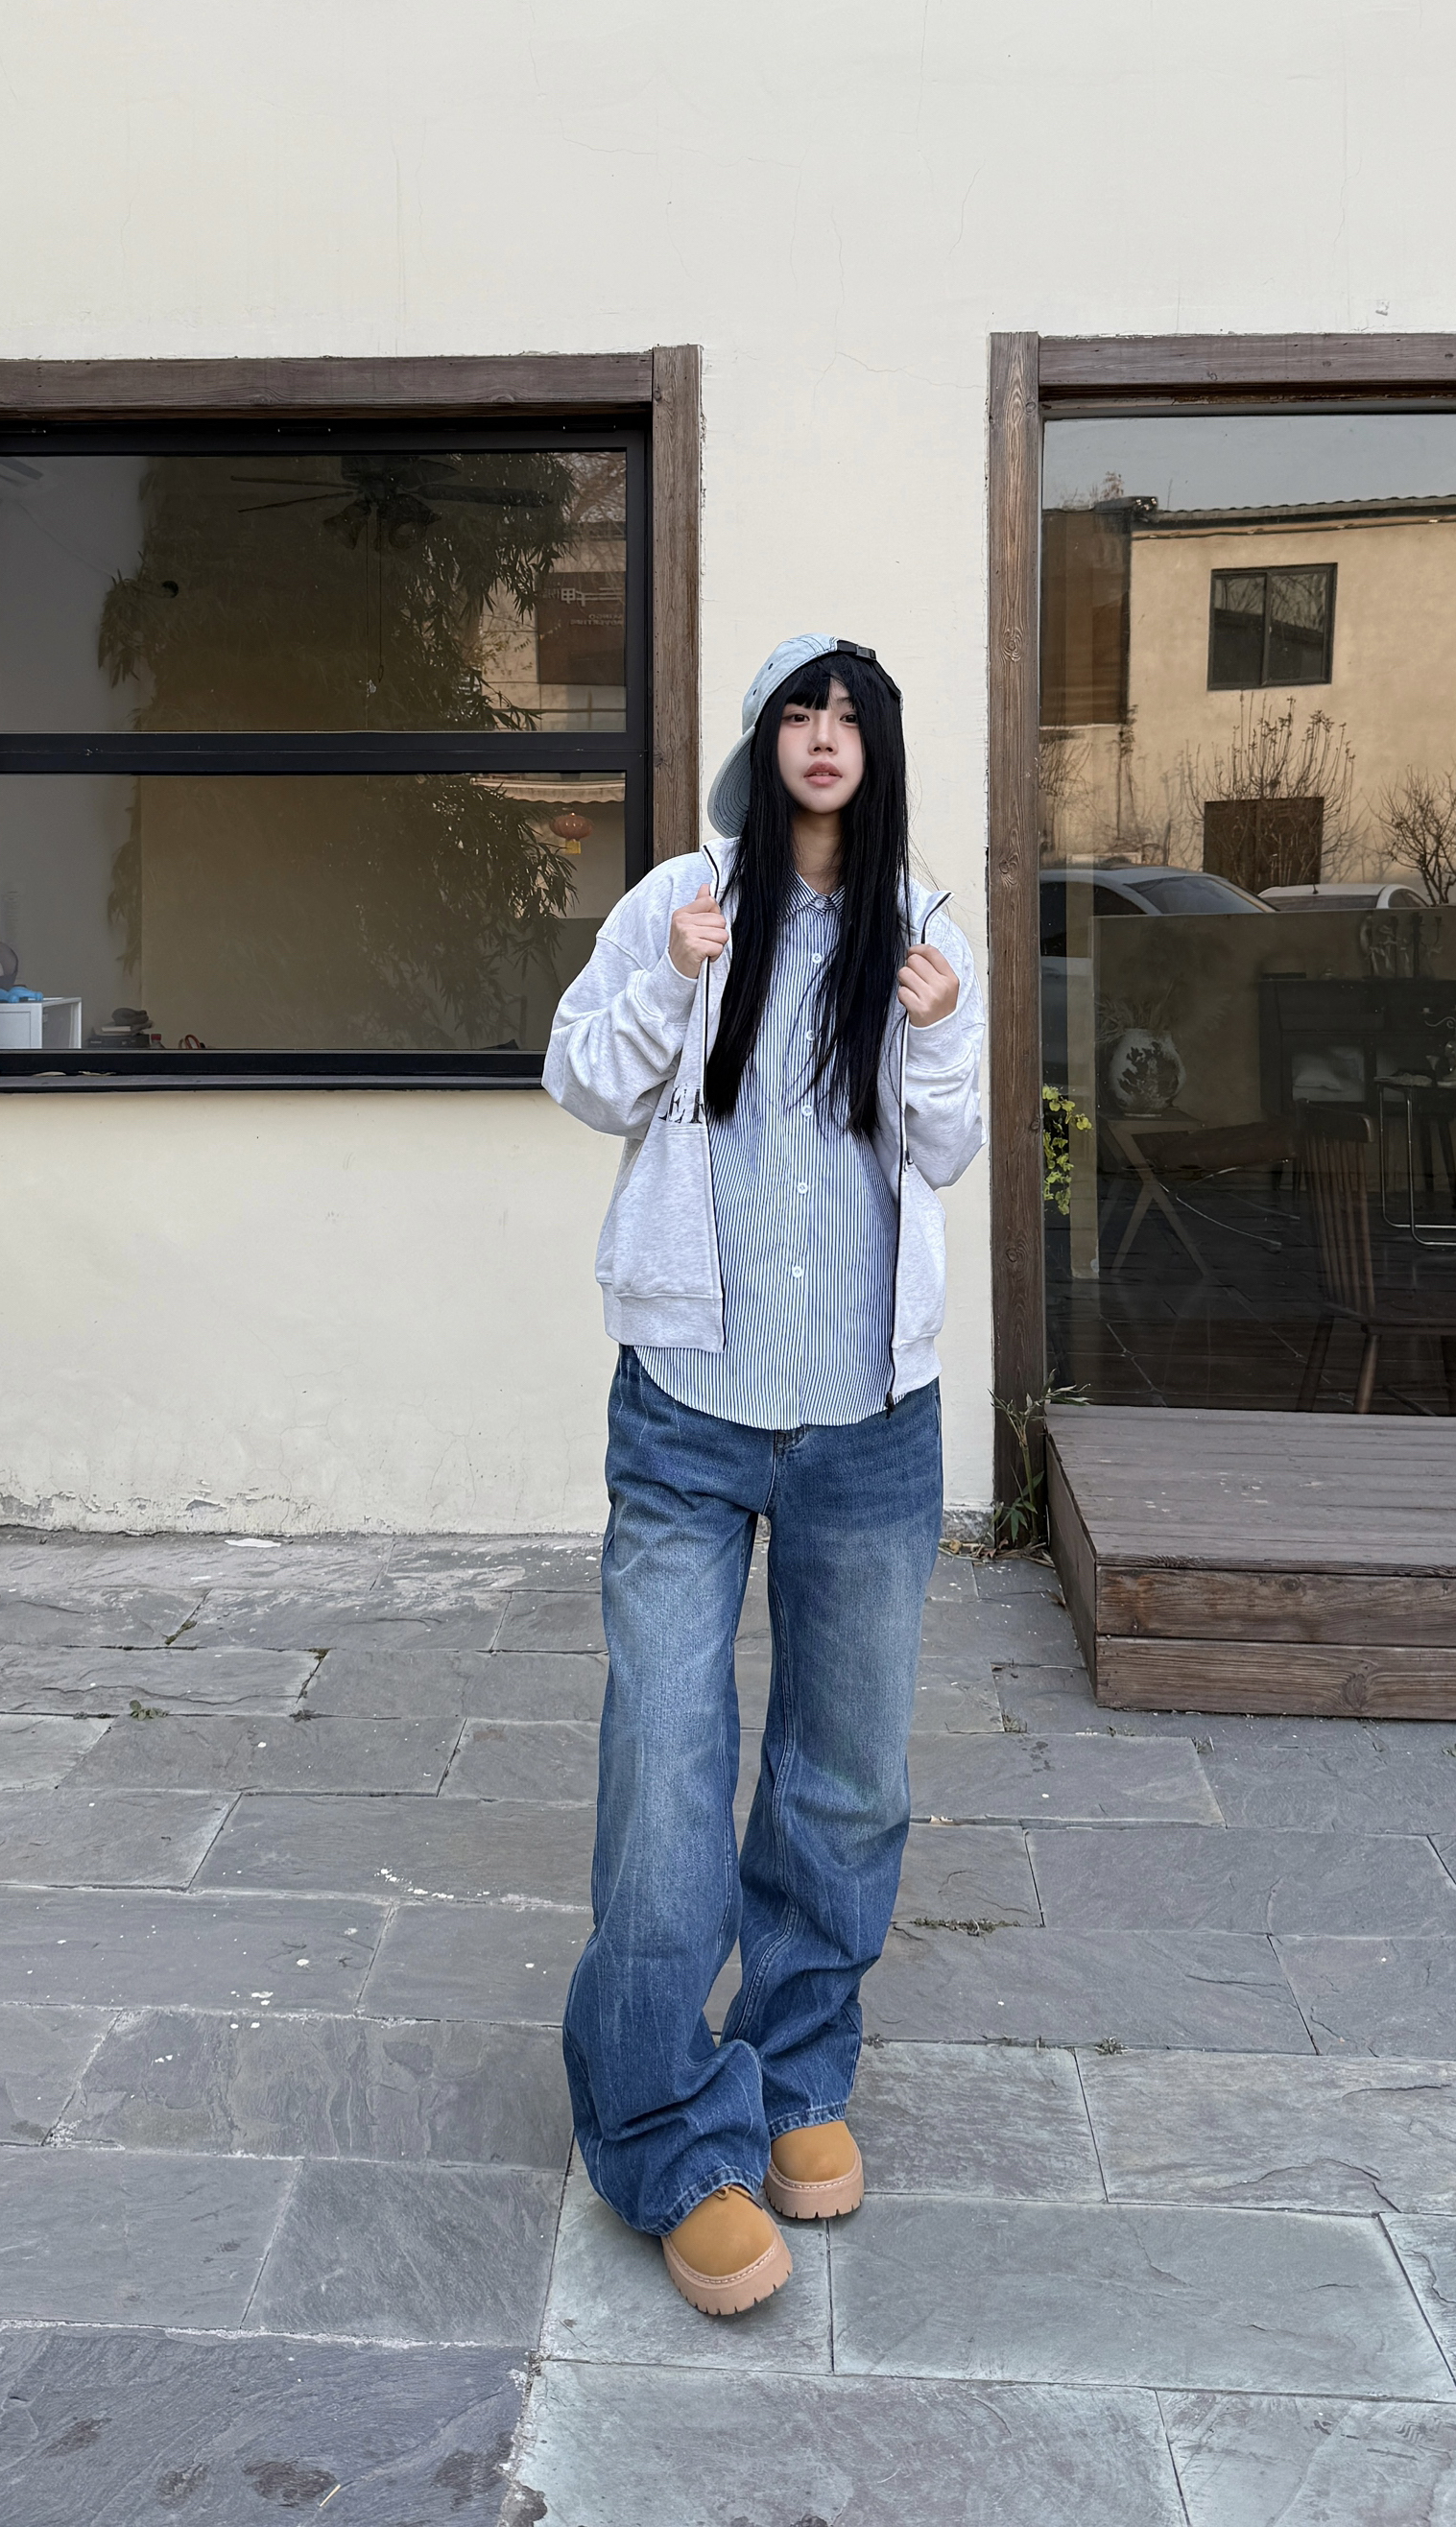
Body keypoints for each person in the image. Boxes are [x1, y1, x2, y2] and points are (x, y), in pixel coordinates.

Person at [542, 632, 986, 2315]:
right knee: (665, 1767)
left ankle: (796, 2072)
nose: (823, 737)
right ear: (760, 741)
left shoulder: (922, 927)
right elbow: (581, 1083)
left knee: (844, 1774)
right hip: (687, 1410)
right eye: (800, 710)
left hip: (869, 1421)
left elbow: (941, 1148)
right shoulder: (679, 896)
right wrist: (669, 975)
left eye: (850, 715)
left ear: (878, 748)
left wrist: (938, 1036)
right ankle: (665, 2131)